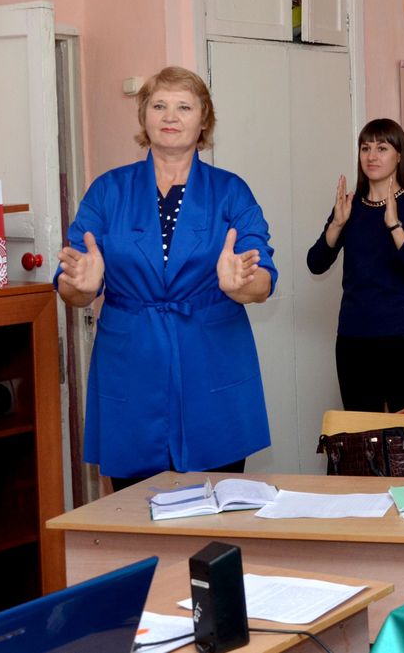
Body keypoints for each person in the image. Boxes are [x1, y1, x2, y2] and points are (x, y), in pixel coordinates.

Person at [55, 66, 276, 491]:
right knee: (134, 506)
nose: (170, 116)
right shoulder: (108, 190)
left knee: (217, 507)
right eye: (158, 105)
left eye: (184, 107)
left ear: (204, 119)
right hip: (131, 363)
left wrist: (241, 286)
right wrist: (80, 287)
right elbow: (72, 283)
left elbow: (262, 279)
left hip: (212, 361)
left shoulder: (231, 191)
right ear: (143, 116)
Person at [308, 119, 404, 412]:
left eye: (382, 148)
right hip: (354, 340)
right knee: (362, 433)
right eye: (365, 148)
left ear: (399, 155)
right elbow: (315, 263)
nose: (371, 156)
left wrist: (394, 226)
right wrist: (336, 224)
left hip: (403, 338)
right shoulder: (349, 207)